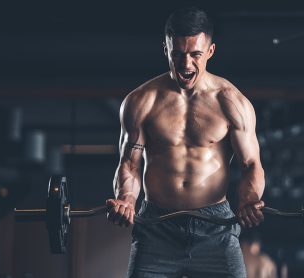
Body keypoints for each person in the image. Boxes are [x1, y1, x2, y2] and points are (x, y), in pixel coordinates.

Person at [105, 7, 266, 278]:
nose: (186, 64)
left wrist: (250, 199)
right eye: (177, 54)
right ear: (165, 49)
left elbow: (251, 163)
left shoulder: (231, 102)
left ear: (211, 51)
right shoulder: (141, 102)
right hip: (157, 228)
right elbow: (129, 164)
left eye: (195, 55)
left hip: (215, 229)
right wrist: (127, 199)